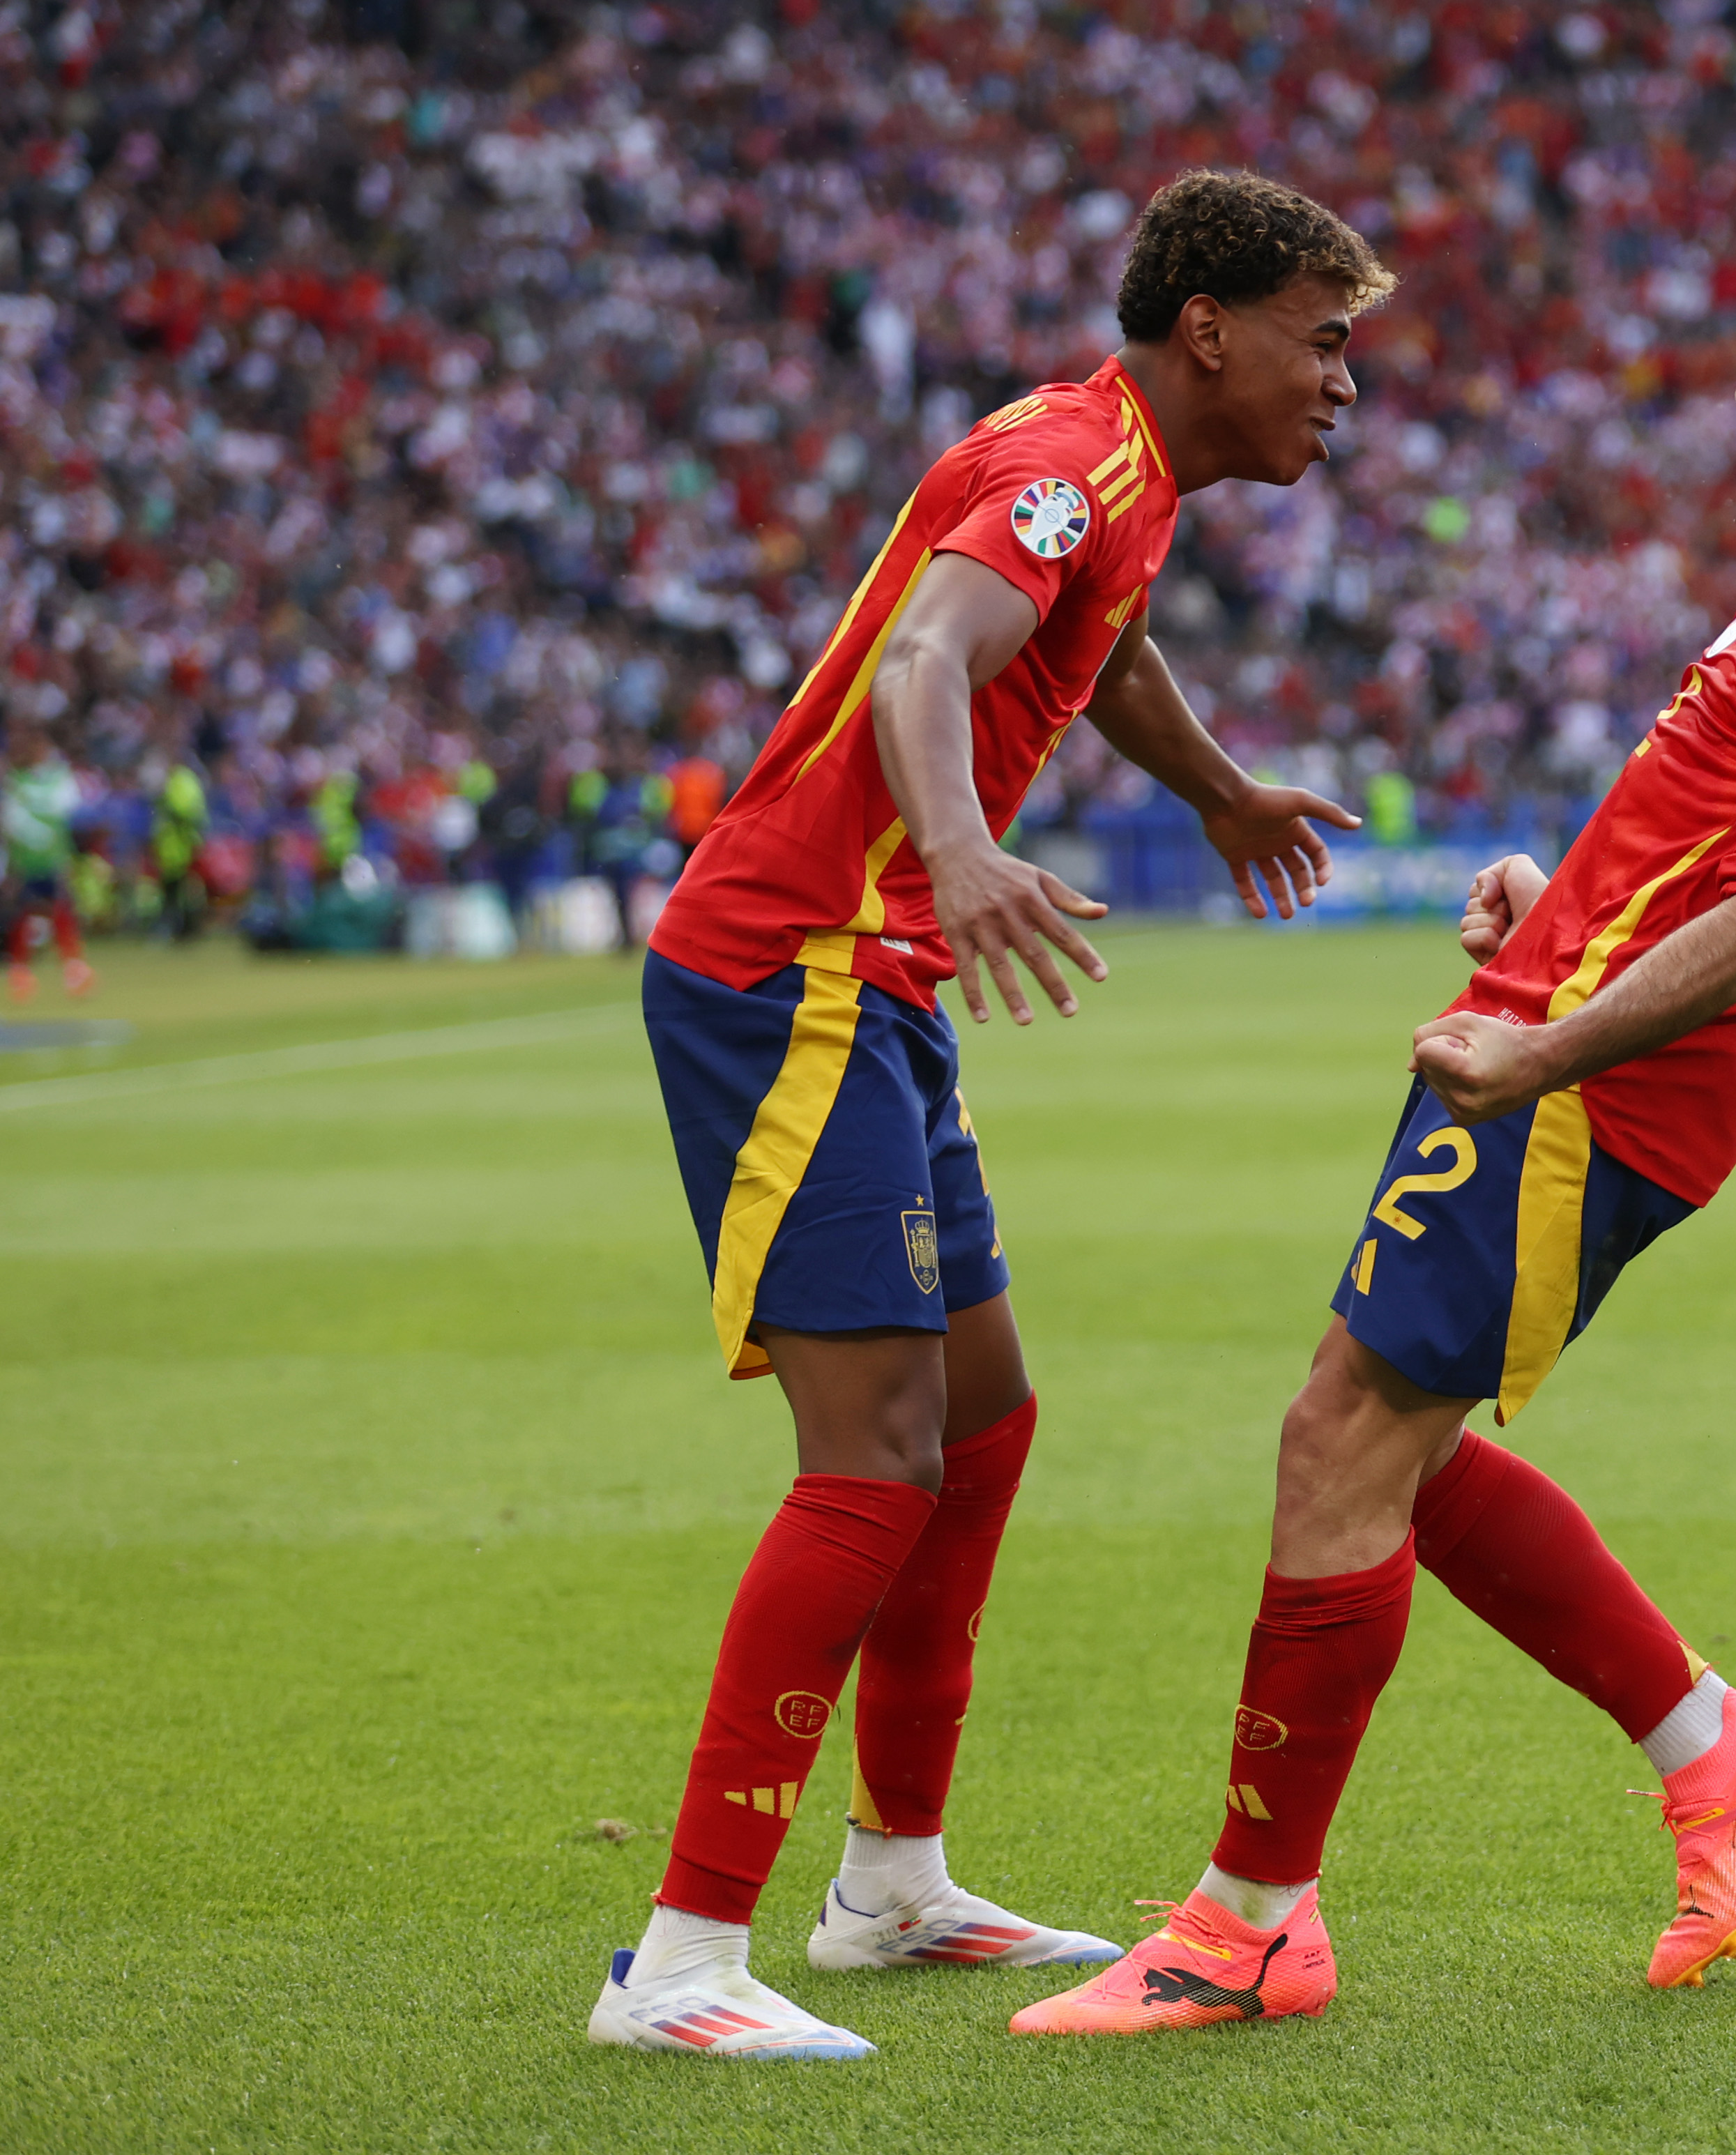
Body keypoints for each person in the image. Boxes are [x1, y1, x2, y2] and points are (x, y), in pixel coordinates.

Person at [1012, 211, 1736, 2037]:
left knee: (1341, 1444)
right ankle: (1714, 1744)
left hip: (1597, 1091)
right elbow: (1711, 832)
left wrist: (1552, 1043)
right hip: (1557, 1036)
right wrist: (1551, 907)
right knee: (1373, 1442)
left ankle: (1252, 1924)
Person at [592, 169, 1387, 2061]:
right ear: (1209, 327)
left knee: (979, 1414)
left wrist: (1216, 790)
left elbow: (1097, 644)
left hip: (876, 981)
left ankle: (890, 1882)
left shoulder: (1124, 481)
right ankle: (682, 1959)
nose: (1344, 382)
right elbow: (926, 655)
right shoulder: (1061, 465)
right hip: (794, 968)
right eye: (1323, 339)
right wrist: (956, 849)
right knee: (872, 1458)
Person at [3, 724, 93, 1003]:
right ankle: (21, 971)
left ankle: (73, 968)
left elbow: (72, 808)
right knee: (26, 913)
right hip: (28, 860)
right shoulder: (18, 782)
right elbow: (12, 822)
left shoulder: (56, 779)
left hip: (53, 858)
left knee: (60, 910)